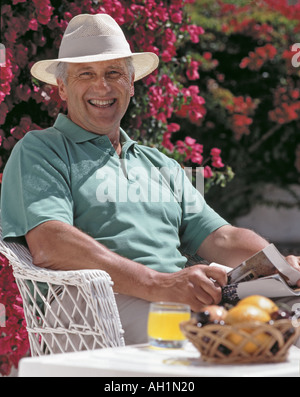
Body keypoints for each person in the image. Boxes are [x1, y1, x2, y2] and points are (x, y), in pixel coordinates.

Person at [1, 13, 300, 346]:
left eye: (114, 73)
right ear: (62, 87)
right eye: (86, 74)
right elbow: (50, 244)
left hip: (174, 299)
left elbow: (223, 238)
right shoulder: (42, 149)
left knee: (287, 321)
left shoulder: (159, 164)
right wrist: (159, 284)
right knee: (209, 336)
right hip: (89, 308)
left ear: (130, 85)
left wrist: (278, 264)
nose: (102, 86)